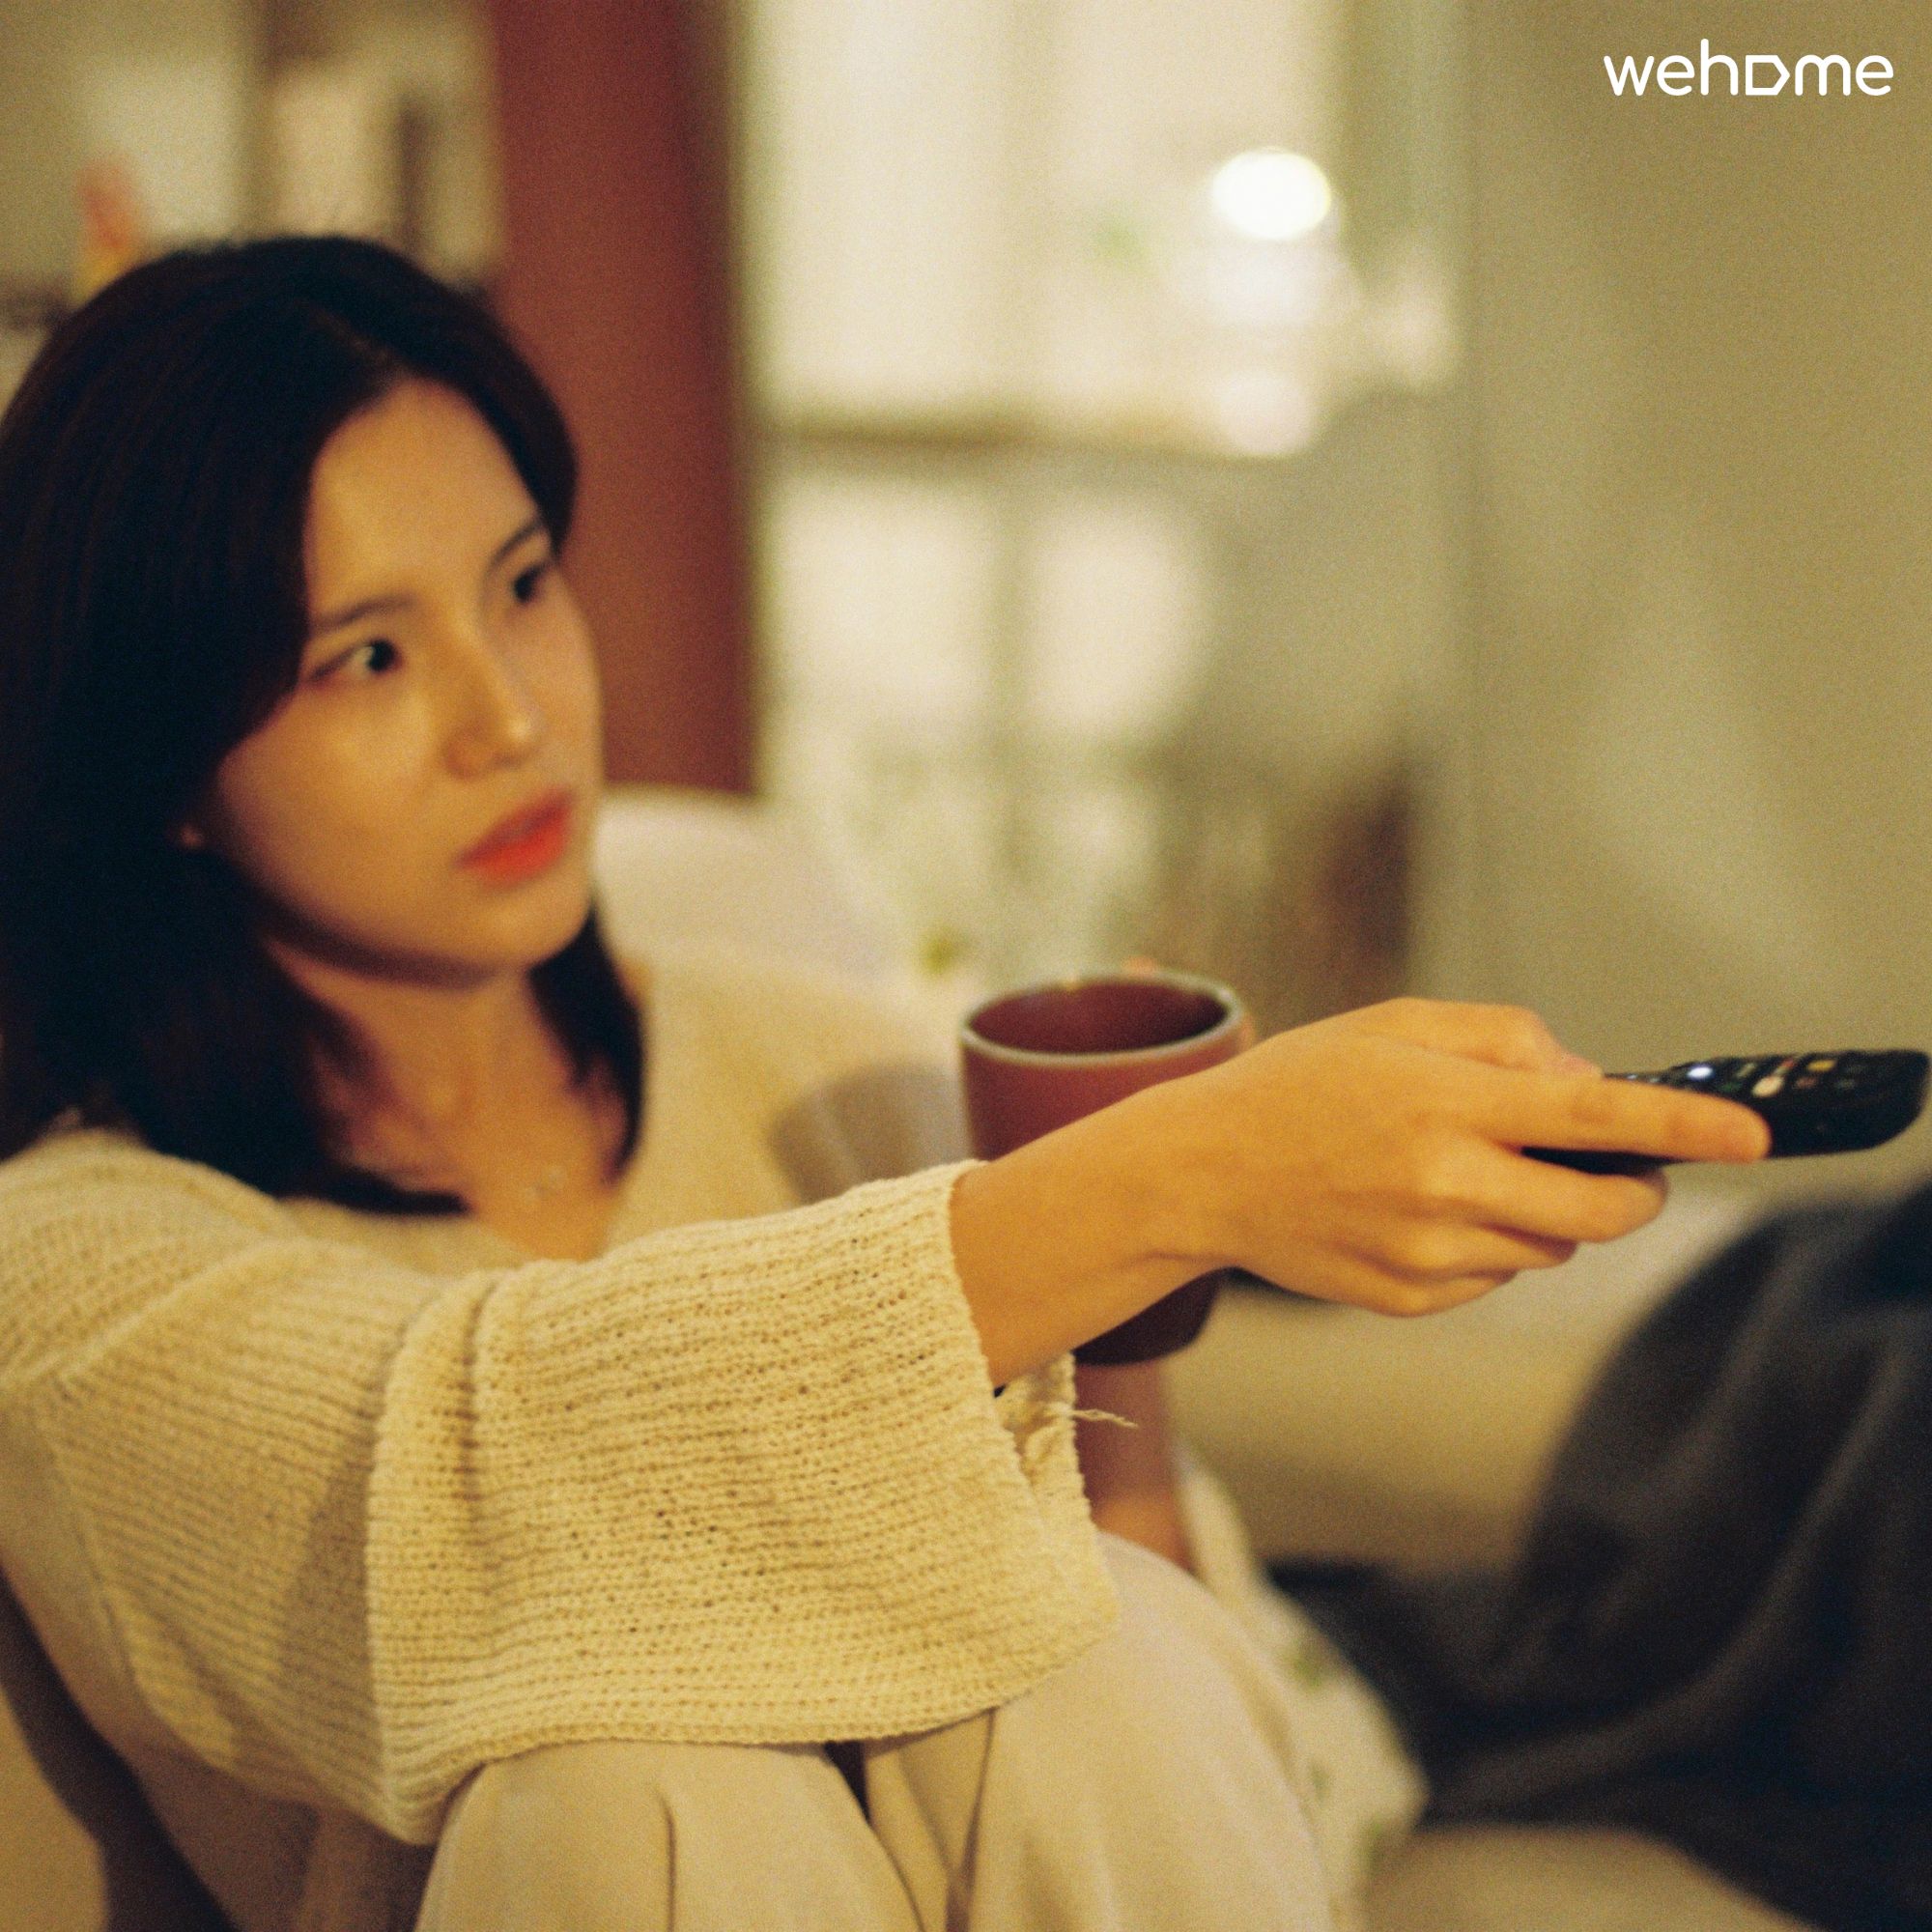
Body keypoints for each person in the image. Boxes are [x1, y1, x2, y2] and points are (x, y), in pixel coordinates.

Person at [0, 237, 1769, 1932]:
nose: (509, 717)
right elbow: (468, 1490)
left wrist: (1126, 1295)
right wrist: (1186, 1174)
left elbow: (1168, 1648)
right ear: (159, 761)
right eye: (367, 658)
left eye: (523, 586)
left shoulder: (827, 1067)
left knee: (1110, 1649)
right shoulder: (72, 1274)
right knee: (632, 1775)